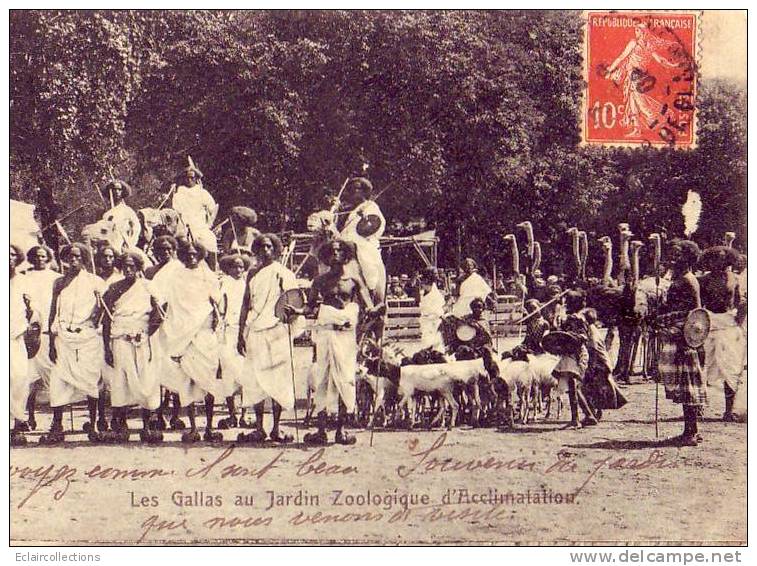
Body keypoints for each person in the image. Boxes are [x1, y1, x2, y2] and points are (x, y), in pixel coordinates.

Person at [290, 239, 381, 445]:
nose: (336, 254)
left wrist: (378, 310)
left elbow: (368, 307)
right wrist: (296, 311)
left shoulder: (354, 281)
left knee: (345, 379)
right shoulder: (320, 281)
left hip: (346, 337)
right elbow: (310, 308)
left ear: (346, 255)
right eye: (332, 251)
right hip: (325, 335)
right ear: (326, 255)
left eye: (340, 251)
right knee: (322, 378)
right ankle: (321, 431)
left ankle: (341, 430)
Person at [237, 234, 302, 443]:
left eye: (269, 246)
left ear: (275, 249)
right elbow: (245, 304)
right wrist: (240, 333)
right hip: (255, 330)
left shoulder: (284, 273)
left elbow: (294, 301)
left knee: (278, 379)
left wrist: (293, 314)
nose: (265, 250)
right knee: (255, 379)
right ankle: (258, 428)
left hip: (277, 331)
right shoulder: (252, 274)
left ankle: (276, 428)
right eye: (261, 246)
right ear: (256, 249)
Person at [158, 239, 224, 443]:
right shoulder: (175, 275)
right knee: (187, 382)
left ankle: (210, 428)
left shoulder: (208, 275)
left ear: (201, 254)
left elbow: (219, 301)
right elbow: (166, 301)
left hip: (204, 334)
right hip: (182, 335)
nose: (191, 256)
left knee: (208, 381)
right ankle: (194, 428)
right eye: (188, 253)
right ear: (182, 255)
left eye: (195, 253)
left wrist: (217, 318)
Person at [42, 243, 106, 444]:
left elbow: (104, 308)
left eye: (78, 256)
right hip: (63, 338)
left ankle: (94, 425)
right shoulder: (59, 282)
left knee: (90, 380)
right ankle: (57, 425)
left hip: (87, 338)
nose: (74, 260)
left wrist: (95, 319)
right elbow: (54, 311)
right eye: (70, 256)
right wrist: (52, 341)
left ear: (85, 258)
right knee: (58, 381)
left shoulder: (95, 282)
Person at [101, 251, 164, 442]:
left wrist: (146, 334)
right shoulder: (113, 288)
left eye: (132, 266)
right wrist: (107, 348)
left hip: (143, 339)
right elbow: (105, 320)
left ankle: (147, 426)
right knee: (120, 381)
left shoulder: (148, 287)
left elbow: (159, 314)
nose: (129, 269)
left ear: (138, 267)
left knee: (146, 379)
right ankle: (121, 426)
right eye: (125, 266)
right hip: (120, 339)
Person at [655, 239, 706, 446]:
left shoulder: (688, 280)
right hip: (679, 336)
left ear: (687, 257)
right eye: (672, 254)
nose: (673, 258)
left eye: (677, 255)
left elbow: (695, 315)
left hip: (685, 339)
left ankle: (691, 433)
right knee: (684, 385)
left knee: (688, 385)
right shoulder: (682, 279)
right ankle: (690, 430)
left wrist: (686, 339)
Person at [698, 247, 746, 421]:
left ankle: (729, 410)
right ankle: (698, 407)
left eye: (722, 258)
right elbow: (698, 304)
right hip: (708, 323)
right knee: (701, 367)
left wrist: (738, 322)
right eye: (714, 258)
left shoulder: (735, 279)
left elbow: (740, 302)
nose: (718, 261)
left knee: (731, 368)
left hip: (728, 325)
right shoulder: (703, 280)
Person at [22, 245, 59, 431]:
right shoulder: (24, 278)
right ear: (30, 258)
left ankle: (56, 420)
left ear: (48, 258)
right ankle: (28, 416)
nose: (40, 259)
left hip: (49, 333)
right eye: (36, 256)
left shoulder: (56, 278)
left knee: (52, 376)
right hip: (30, 333)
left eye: (43, 256)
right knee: (28, 377)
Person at [456, 297, 509, 427]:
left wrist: (486, 348)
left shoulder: (485, 322)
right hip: (470, 351)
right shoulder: (466, 320)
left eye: (480, 307)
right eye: (475, 307)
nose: (477, 310)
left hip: (483, 351)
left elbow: (488, 340)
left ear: (483, 308)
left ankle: (493, 392)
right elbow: (462, 336)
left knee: (492, 368)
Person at [217, 253, 251, 429]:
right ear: (228, 269)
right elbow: (219, 307)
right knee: (228, 374)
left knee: (244, 372)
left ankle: (245, 414)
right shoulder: (224, 284)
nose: (238, 270)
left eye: (240, 267)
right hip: (228, 331)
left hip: (244, 331)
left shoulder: (248, 285)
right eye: (234, 267)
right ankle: (232, 414)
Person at [339, 177, 386, 301]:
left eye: (357, 189)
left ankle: (371, 286)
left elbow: (374, 225)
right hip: (346, 244)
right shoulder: (349, 210)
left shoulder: (370, 206)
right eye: (351, 189)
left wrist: (364, 219)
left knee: (367, 262)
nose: (353, 192)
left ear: (364, 191)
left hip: (363, 243)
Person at [171, 157, 219, 269]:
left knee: (210, 240)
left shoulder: (203, 193)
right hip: (184, 225)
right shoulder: (179, 194)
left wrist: (210, 223)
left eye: (192, 178)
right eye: (187, 178)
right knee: (181, 243)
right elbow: (176, 212)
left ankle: (213, 269)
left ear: (196, 178)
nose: (189, 180)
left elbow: (213, 208)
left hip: (200, 225)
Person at [552, 314, 597, 429]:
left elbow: (581, 339)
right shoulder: (568, 328)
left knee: (573, 388)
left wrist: (570, 336)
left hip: (578, 358)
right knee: (574, 389)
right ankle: (587, 415)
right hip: (570, 358)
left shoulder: (581, 330)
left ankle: (576, 419)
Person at [10, 245, 33, 446]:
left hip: (16, 338)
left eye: (12, 254)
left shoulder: (24, 281)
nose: (8, 258)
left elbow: (33, 311)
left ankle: (18, 423)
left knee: (18, 379)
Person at [101, 179, 141, 251]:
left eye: (119, 189)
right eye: (114, 189)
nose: (116, 191)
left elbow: (137, 227)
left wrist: (131, 242)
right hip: (109, 245)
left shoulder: (127, 210)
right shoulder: (105, 213)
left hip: (123, 244)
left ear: (122, 192)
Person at [418, 267, 446, 352]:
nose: (437, 275)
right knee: (428, 344)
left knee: (437, 344)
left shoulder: (434, 289)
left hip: (435, 319)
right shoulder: (426, 289)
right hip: (428, 320)